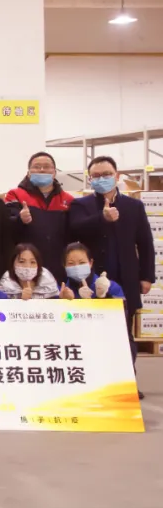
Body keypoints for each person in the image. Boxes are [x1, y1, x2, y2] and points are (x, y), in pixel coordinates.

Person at [68, 156, 154, 374]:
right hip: (90, 280)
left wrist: (146, 276)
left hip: (126, 278)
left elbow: (145, 243)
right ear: (89, 179)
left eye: (106, 174)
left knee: (124, 333)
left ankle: (128, 379)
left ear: (117, 176)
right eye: (96, 176)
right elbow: (74, 228)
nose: (102, 179)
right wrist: (102, 218)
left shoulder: (134, 206)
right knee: (92, 333)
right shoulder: (81, 205)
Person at [4, 151, 75, 283]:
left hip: (58, 267)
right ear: (28, 172)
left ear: (54, 172)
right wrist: (20, 220)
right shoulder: (15, 195)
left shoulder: (68, 199)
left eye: (47, 167)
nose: (42, 170)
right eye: (37, 167)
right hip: (25, 267)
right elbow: (6, 227)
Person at [59, 242, 125, 300]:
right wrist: (64, 302)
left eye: (82, 262)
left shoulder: (110, 287)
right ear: (64, 265)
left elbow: (122, 309)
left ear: (91, 263)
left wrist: (102, 297)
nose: (77, 267)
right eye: (71, 263)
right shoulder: (61, 292)